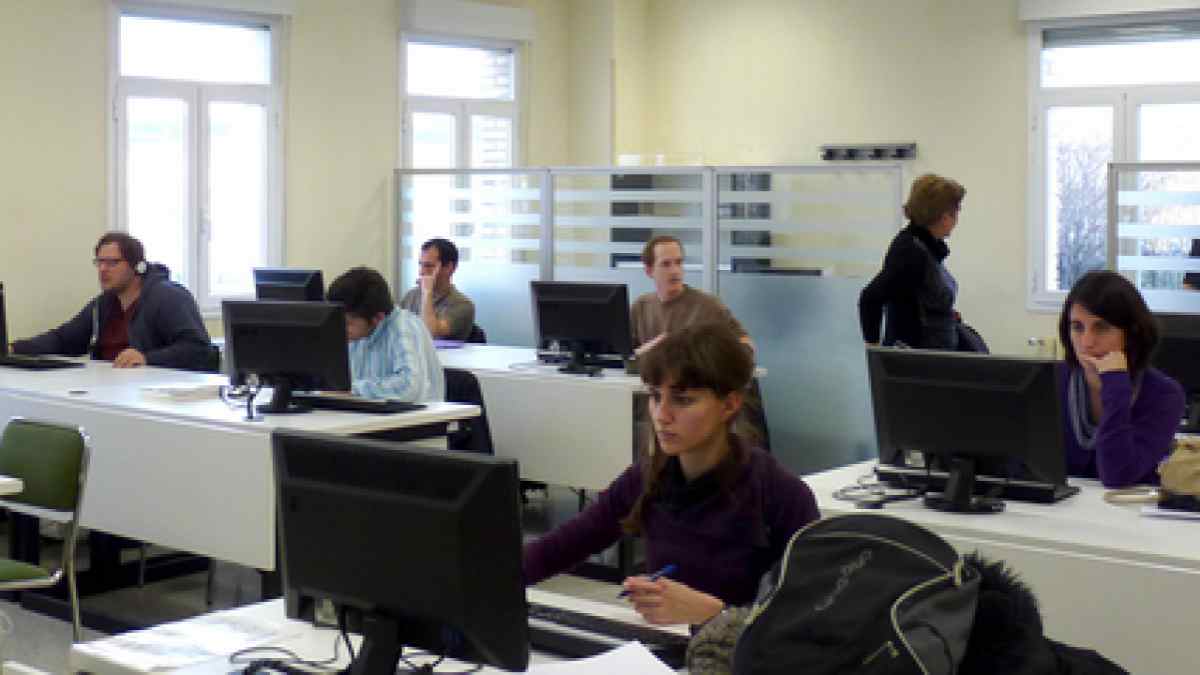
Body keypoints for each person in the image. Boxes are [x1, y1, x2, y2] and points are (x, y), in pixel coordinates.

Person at [522, 323, 818, 625]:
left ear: (729, 405)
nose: (662, 415)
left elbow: (808, 618)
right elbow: (560, 547)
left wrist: (717, 616)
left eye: (683, 400)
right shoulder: (650, 476)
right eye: (655, 396)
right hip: (665, 650)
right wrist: (487, 579)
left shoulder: (780, 494)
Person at [11, 231, 211, 370]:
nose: (103, 269)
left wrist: (146, 358)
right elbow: (64, 339)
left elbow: (198, 350)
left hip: (150, 395)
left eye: (113, 263)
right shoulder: (104, 304)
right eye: (99, 262)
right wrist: (13, 349)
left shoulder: (168, 297)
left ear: (137, 267)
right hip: (108, 390)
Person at [1058, 270, 1184, 488]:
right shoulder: (1052, 380)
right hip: (1059, 512)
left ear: (1131, 333)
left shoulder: (1164, 395)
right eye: (1077, 327)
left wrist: (1114, 384)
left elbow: (1118, 476)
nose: (1087, 342)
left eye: (1102, 327)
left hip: (1130, 516)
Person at [859, 174, 966, 350]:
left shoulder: (926, 246)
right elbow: (870, 298)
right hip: (916, 361)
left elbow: (915, 298)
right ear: (945, 217)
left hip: (932, 354)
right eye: (956, 213)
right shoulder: (910, 251)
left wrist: (943, 315)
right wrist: (875, 352)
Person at [326, 266, 444, 402]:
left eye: (347, 323)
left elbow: (409, 387)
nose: (339, 329)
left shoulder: (403, 328)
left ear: (377, 318)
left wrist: (350, 389)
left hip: (412, 419)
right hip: (367, 414)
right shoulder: (356, 333)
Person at [631, 235, 752, 355]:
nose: (675, 271)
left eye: (679, 262)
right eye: (666, 264)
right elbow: (624, 357)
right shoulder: (641, 307)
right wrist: (651, 348)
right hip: (651, 374)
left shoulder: (707, 306)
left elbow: (745, 345)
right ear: (649, 271)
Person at [398, 238, 476, 341]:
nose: (421, 272)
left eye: (429, 266)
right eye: (420, 264)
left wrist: (427, 293)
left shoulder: (463, 305)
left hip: (444, 357)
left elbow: (429, 333)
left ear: (449, 268)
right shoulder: (411, 296)